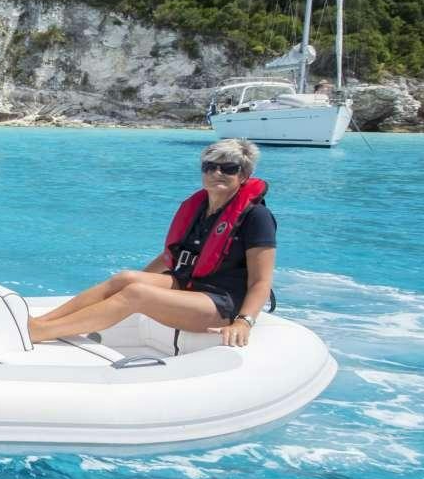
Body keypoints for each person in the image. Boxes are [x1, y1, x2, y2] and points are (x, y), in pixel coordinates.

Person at [27, 138, 275, 348]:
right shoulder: (200, 208)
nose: (216, 173)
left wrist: (244, 321)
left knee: (137, 293)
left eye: (228, 168)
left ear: (244, 175)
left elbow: (261, 281)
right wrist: (130, 283)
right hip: (189, 284)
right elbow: (172, 256)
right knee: (126, 279)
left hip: (221, 302)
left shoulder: (256, 216)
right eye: (209, 167)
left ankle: (40, 333)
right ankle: (41, 322)